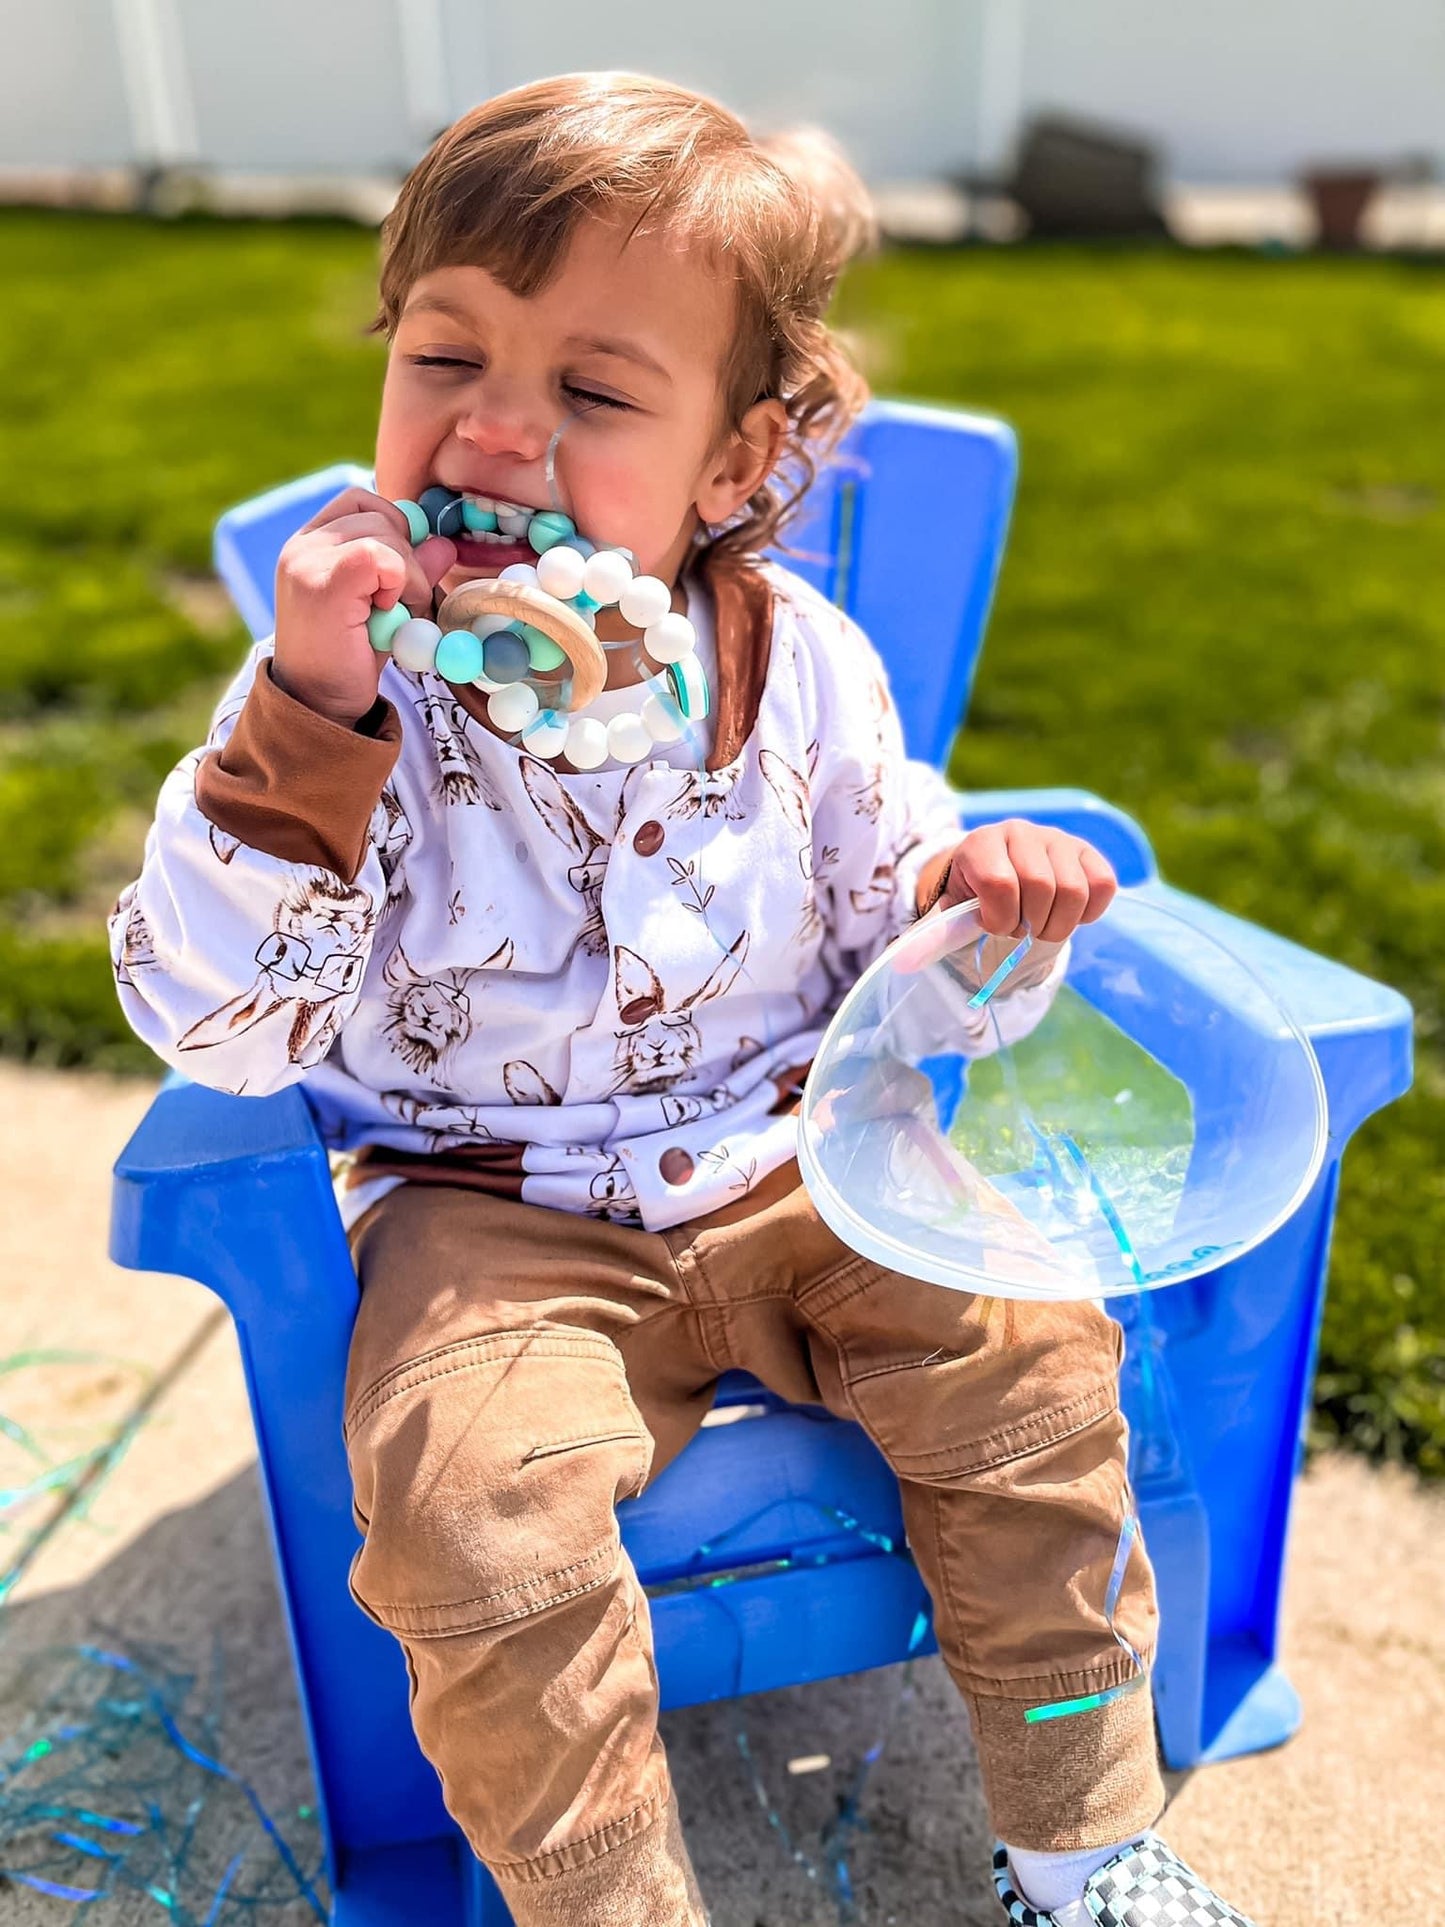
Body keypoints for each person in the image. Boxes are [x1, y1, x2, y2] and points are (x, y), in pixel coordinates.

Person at [110, 72, 1258, 1927]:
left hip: (806, 1161)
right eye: (442, 361)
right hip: (486, 1215)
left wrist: (976, 913)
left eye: (588, 392)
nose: (490, 432)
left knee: (1037, 1372)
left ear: (733, 468)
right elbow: (223, 1034)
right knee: (476, 1521)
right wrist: (304, 737)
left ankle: (1075, 1838)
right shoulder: (329, 704)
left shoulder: (803, 666)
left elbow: (893, 946)